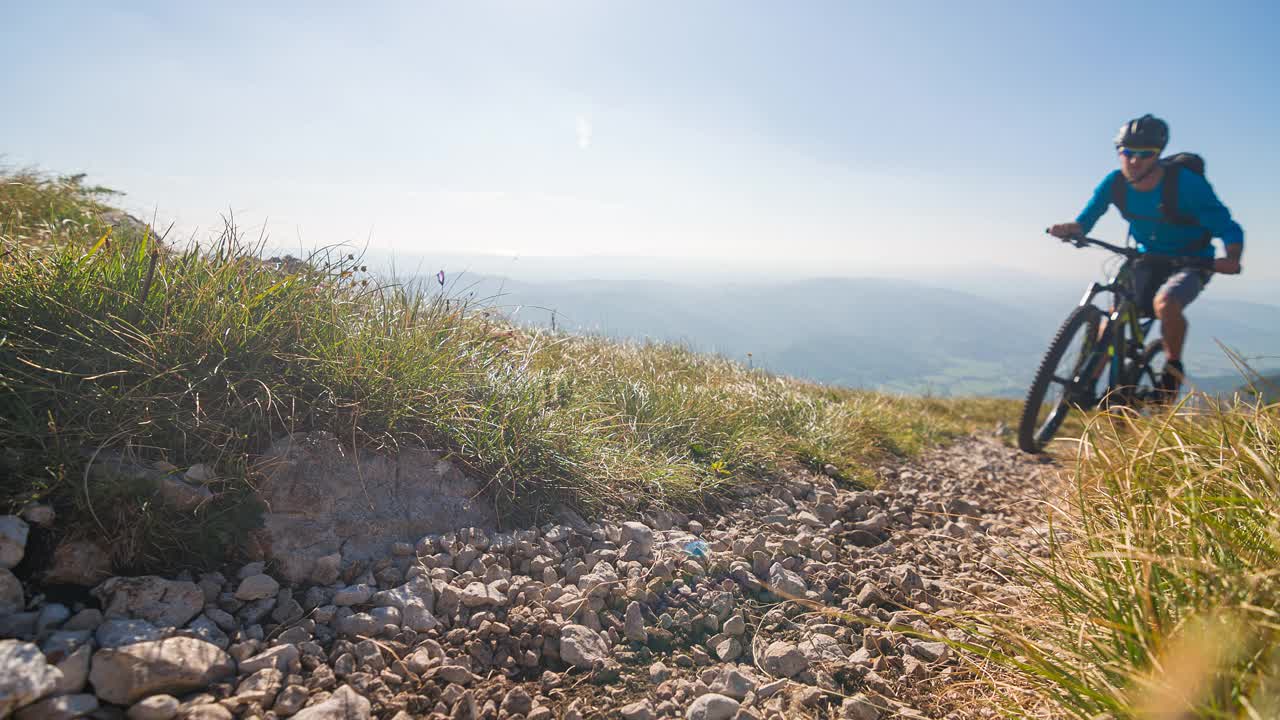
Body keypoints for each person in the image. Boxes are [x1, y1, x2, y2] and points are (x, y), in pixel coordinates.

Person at [1049, 114, 1244, 396]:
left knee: (1166, 303)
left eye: (1145, 154)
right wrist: (1072, 228)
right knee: (1114, 318)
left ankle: (1171, 370)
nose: (1134, 160)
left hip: (1192, 260)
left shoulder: (1185, 184)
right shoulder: (1115, 183)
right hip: (1147, 258)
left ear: (1158, 155)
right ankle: (1086, 385)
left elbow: (1227, 225)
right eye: (1127, 152)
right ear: (1119, 153)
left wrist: (1232, 257)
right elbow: (1087, 218)